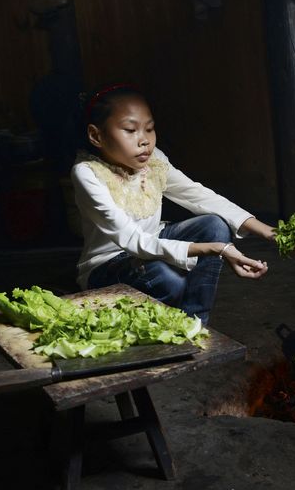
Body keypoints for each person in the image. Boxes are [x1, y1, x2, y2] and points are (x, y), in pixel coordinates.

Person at [71, 83, 275, 324]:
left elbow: (198, 195)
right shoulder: (87, 173)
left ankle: (195, 322)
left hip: (152, 245)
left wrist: (270, 232)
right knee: (167, 280)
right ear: (96, 135)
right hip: (109, 264)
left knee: (214, 225)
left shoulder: (154, 161)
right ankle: (180, 327)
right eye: (130, 129)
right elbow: (134, 241)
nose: (144, 140)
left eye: (149, 129)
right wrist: (217, 249)